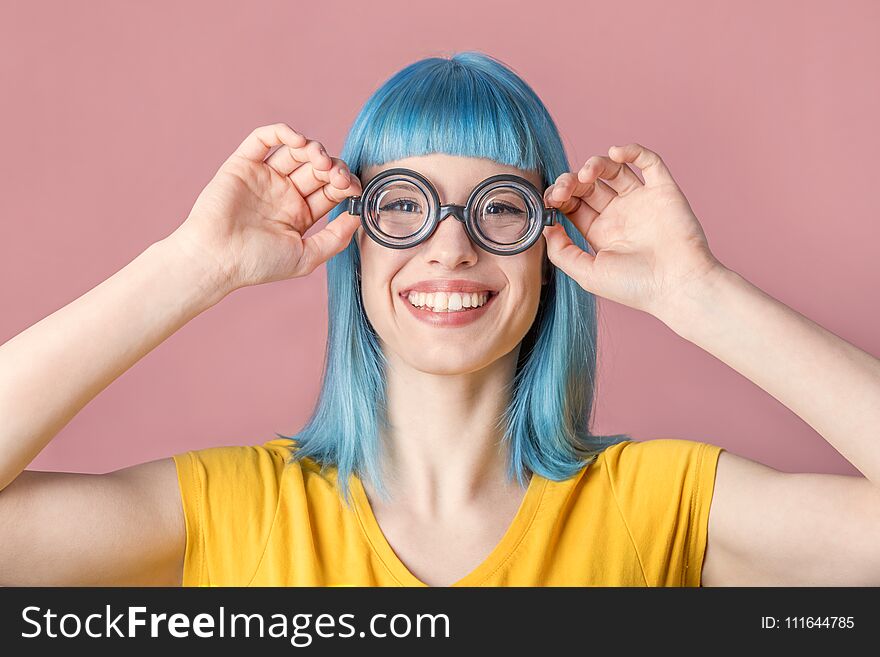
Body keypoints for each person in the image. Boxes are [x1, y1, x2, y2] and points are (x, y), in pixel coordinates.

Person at [1, 52, 878, 588]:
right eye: (404, 209)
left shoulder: (661, 507)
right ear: (354, 242)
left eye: (498, 210)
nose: (449, 250)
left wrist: (701, 294)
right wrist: (194, 266)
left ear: (549, 241)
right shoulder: (236, 512)